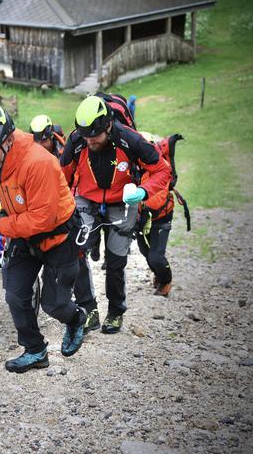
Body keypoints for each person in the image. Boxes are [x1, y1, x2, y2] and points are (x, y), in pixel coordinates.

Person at [0, 104, 87, 373]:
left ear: (8, 140)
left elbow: (40, 220)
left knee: (54, 304)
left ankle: (77, 318)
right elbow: (16, 197)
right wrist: (2, 214)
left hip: (58, 237)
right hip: (24, 235)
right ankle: (35, 351)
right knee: (16, 295)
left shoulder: (38, 162)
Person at [61, 95, 171, 335]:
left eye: (95, 136)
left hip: (124, 201)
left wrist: (143, 191)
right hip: (86, 199)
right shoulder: (77, 140)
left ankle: (115, 311)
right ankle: (88, 308)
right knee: (76, 251)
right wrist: (65, 205)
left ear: (109, 125)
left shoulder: (130, 140)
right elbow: (62, 175)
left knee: (115, 260)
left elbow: (163, 171)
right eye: (85, 136)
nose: (90, 141)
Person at [136, 132, 178, 297]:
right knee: (144, 250)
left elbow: (157, 198)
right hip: (143, 218)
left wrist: (143, 205)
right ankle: (159, 275)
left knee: (155, 256)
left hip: (160, 217)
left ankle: (166, 280)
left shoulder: (160, 168)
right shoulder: (136, 168)